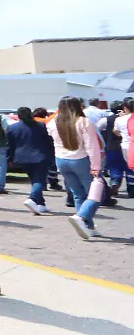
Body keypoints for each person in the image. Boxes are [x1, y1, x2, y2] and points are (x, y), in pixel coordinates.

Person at [47, 97, 105, 239]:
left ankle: (87, 227)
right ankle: (82, 217)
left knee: (78, 194)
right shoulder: (84, 122)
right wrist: (96, 166)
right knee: (96, 194)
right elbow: (92, 146)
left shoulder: (53, 122)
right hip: (81, 160)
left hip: (61, 160)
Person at [6, 107, 54, 215]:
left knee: (34, 180)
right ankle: (32, 199)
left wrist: (9, 159)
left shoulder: (12, 128)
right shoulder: (40, 126)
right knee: (40, 181)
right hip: (40, 156)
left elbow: (10, 146)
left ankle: (41, 204)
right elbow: (47, 141)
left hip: (22, 158)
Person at [99, 101, 133, 198]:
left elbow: (98, 129)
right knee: (130, 169)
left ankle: (114, 182)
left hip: (111, 147)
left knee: (114, 167)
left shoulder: (106, 120)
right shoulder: (128, 119)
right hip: (128, 146)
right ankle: (131, 188)